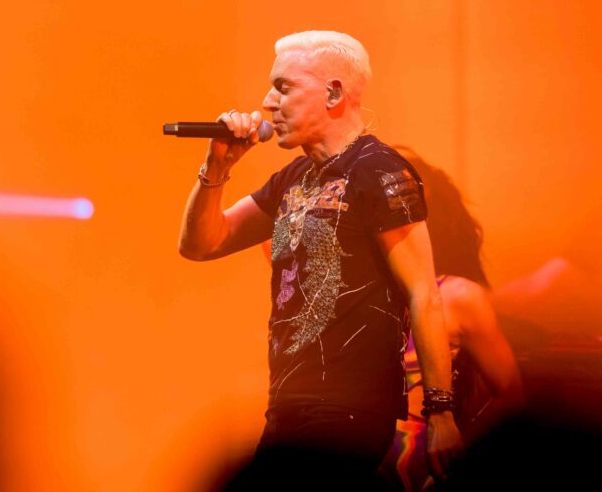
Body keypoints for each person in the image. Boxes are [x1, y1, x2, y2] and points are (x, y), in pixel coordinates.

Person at [178, 31, 463, 485]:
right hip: (289, 405)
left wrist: (440, 413)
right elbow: (202, 244)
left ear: (333, 93)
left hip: (348, 410)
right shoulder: (291, 178)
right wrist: (218, 166)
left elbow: (423, 292)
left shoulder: (379, 170)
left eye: (284, 87)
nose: (268, 103)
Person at [376, 150, 524, 491]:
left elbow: (511, 396)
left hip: (416, 473)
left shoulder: (457, 296)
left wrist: (456, 444)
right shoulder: (352, 293)